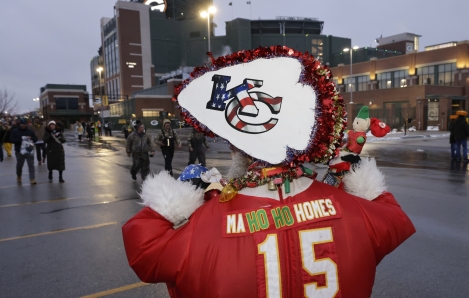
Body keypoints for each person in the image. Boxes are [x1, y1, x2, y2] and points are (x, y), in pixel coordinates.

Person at [122, 47, 415, 297]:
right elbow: (393, 219)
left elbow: (144, 248)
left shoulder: (203, 226)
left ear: (237, 149)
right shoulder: (356, 215)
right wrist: (358, 181)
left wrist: (184, 197)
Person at [10, 118, 37, 184]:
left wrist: (32, 138)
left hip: (29, 150)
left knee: (31, 165)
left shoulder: (30, 131)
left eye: (24, 124)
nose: (23, 125)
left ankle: (32, 178)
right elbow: (11, 139)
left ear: (26, 124)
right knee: (19, 165)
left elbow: (35, 139)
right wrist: (20, 139)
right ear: (20, 124)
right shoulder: (15, 131)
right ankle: (19, 176)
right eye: (22, 124)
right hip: (19, 151)